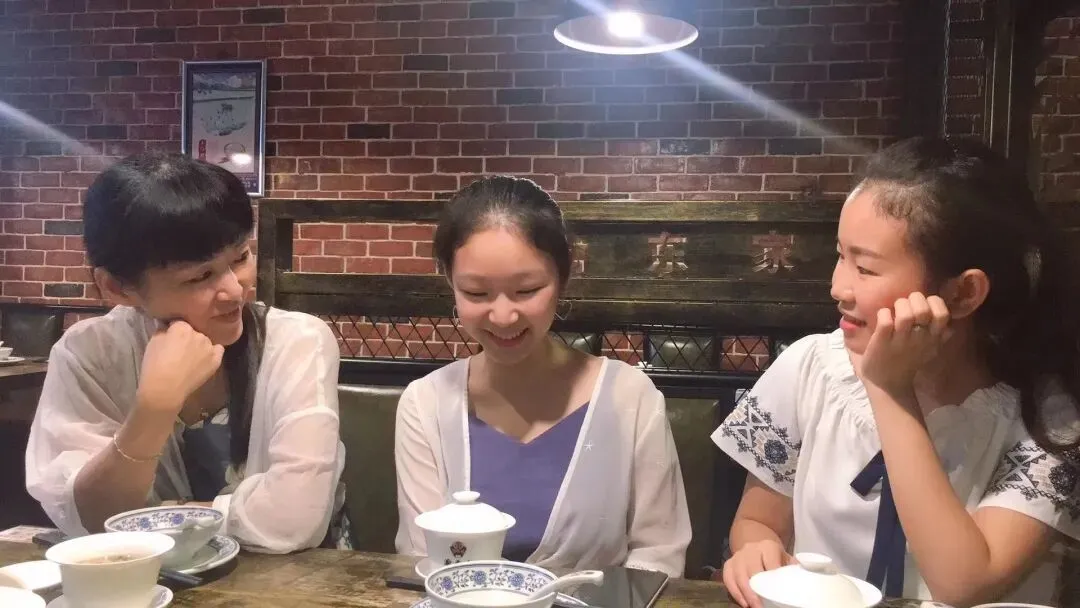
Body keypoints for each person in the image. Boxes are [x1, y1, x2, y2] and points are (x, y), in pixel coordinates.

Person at [714, 137, 1080, 607]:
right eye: (841, 255)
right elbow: (759, 521)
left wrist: (889, 389)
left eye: (865, 268)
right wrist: (755, 549)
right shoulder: (810, 368)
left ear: (964, 293)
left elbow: (966, 583)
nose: (837, 287)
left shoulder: (1049, 418)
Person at [25, 152, 349, 553]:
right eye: (200, 276)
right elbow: (91, 519)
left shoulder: (296, 340)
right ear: (117, 287)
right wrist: (155, 408)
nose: (235, 290)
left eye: (240, 258)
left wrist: (158, 516)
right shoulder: (89, 354)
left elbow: (294, 519)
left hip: (293, 578)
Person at [393, 176, 691, 577]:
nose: (503, 316)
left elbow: (657, 556)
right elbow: (425, 557)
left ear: (562, 279)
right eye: (476, 293)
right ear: (451, 283)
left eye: (527, 290)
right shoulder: (425, 403)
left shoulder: (630, 398)